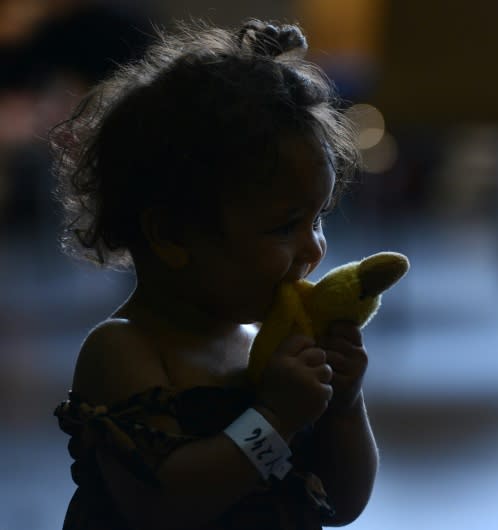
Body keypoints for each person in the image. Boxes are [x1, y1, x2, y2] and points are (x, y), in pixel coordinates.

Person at [51, 18, 376, 530]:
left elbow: (340, 503)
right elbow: (166, 506)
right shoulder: (124, 352)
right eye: (284, 226)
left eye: (316, 219)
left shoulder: (266, 344)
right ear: (173, 236)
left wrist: (344, 405)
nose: (313, 248)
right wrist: (275, 418)